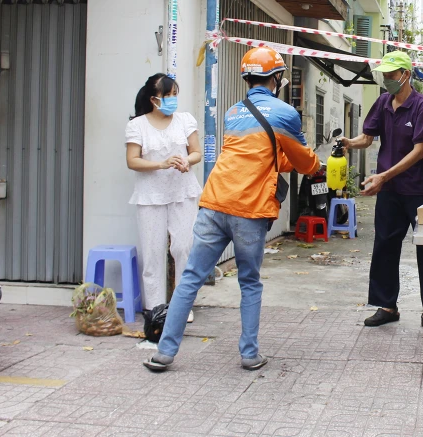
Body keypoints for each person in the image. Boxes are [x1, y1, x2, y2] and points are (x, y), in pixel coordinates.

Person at [144, 47, 321, 372]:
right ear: (276, 78)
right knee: (249, 282)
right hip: (249, 209)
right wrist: (315, 163)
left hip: (214, 202)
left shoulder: (233, 112)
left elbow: (256, 155)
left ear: (247, 78)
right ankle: (249, 354)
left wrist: (285, 160)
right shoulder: (284, 112)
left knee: (190, 278)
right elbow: (302, 162)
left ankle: (163, 353)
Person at [339, 51, 423, 332]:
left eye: (391, 75)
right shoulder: (384, 102)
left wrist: (383, 176)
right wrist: (349, 142)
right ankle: (386, 306)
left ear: (406, 74)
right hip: (390, 189)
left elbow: (420, 151)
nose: (386, 80)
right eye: (384, 75)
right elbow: (367, 137)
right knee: (385, 244)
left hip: (421, 189)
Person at [125, 74, 202, 321]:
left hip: (183, 191)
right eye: (167, 95)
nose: (172, 99)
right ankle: (155, 308)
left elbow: (196, 152)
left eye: (174, 94)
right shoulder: (137, 125)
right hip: (150, 195)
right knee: (152, 252)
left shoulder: (185, 120)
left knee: (184, 247)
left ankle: (182, 306)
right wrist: (161, 164)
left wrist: (186, 161)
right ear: (153, 99)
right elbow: (132, 161)